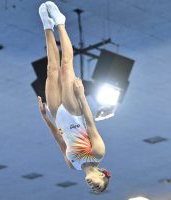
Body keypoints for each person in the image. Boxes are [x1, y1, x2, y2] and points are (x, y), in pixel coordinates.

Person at [37, 1, 111, 193]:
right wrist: (81, 96)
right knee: (65, 67)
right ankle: (60, 22)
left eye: (92, 189)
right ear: (101, 175)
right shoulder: (98, 153)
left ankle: (47, 26)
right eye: (97, 185)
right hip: (74, 112)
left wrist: (45, 118)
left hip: (57, 115)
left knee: (51, 70)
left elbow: (59, 139)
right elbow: (90, 123)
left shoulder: (73, 165)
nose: (91, 186)